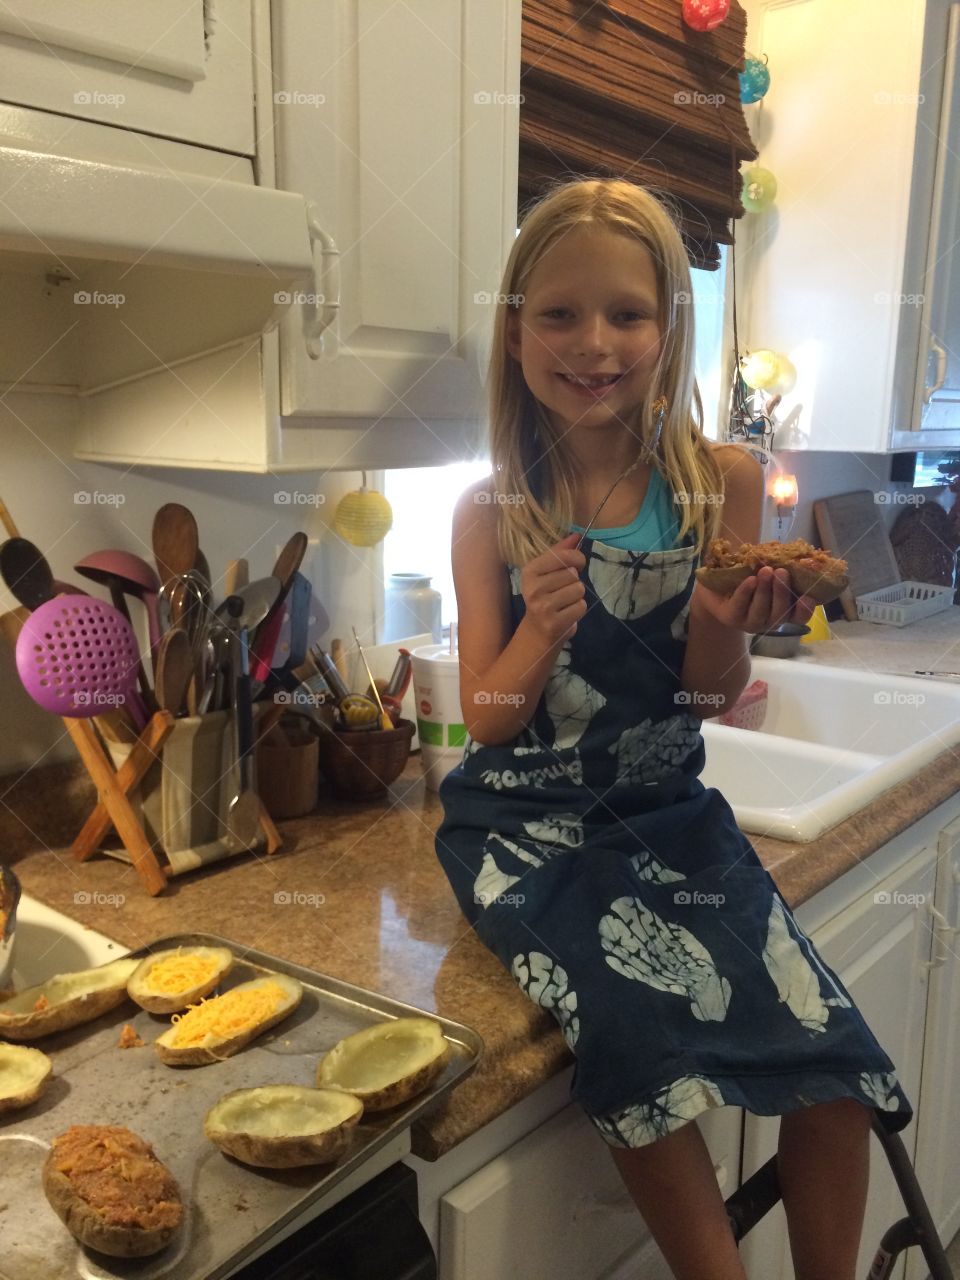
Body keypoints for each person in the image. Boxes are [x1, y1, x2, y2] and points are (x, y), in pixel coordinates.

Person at [434, 177, 912, 1280]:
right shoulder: (491, 510)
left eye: (627, 314)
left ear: (669, 328)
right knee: (638, 1051)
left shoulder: (719, 482)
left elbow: (703, 697)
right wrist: (534, 635)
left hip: (669, 816)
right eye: (558, 314)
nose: (593, 342)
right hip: (528, 831)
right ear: (516, 335)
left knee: (836, 1072)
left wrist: (719, 623)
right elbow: (487, 721)